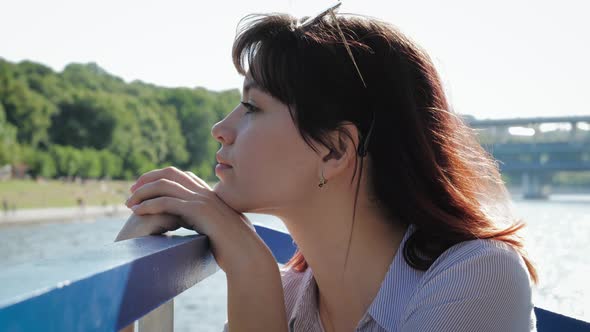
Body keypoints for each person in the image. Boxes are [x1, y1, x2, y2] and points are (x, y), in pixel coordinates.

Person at [116, 4, 537, 332]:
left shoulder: (478, 276)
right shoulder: (287, 296)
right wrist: (128, 264)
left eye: (252, 107)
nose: (220, 129)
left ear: (335, 151)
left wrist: (249, 265)